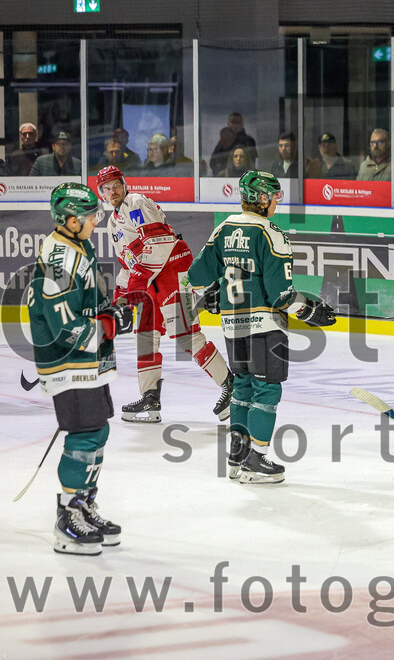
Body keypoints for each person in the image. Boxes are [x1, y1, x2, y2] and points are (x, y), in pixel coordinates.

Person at [188, 170, 336, 484]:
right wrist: (310, 311)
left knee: (242, 388)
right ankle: (256, 458)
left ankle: (237, 456)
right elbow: (281, 295)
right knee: (267, 389)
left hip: (232, 324)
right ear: (263, 198)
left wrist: (214, 290)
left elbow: (197, 275)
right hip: (264, 325)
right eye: (275, 196)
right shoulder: (271, 233)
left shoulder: (224, 228)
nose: (277, 203)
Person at [29, 183, 134, 555]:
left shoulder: (79, 244)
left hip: (87, 359)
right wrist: (107, 325)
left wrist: (109, 311)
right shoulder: (60, 258)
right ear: (71, 220)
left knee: (97, 430)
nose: (96, 221)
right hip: (67, 359)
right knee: (85, 433)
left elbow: (89, 298)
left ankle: (85, 503)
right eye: (91, 217)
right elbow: (62, 326)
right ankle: (67, 516)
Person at [94, 166, 233, 423]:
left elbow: (158, 244)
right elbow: (129, 263)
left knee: (186, 336)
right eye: (106, 188)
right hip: (151, 282)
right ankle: (150, 398)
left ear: (124, 184)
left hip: (172, 272)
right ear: (100, 193)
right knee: (146, 336)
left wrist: (134, 287)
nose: (112, 191)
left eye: (116, 185)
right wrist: (120, 297)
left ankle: (231, 387)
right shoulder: (113, 222)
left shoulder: (135, 202)